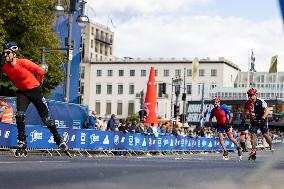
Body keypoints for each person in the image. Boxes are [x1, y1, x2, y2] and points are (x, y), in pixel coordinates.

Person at [1, 42, 71, 157]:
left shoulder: (23, 62)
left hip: (35, 91)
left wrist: (39, 82)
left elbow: (41, 72)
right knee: (19, 115)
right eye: (4, 52)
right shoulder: (5, 67)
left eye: (8, 52)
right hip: (22, 92)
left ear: (14, 53)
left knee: (46, 119)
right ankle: (22, 141)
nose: (5, 54)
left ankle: (59, 140)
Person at [242, 88, 273, 160]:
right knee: (253, 135)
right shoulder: (247, 102)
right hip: (253, 121)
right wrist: (243, 118)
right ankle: (253, 151)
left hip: (262, 120)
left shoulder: (261, 101)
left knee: (265, 135)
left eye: (251, 95)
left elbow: (267, 110)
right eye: (248, 96)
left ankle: (271, 146)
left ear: (255, 95)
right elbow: (244, 110)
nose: (250, 97)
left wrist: (263, 118)